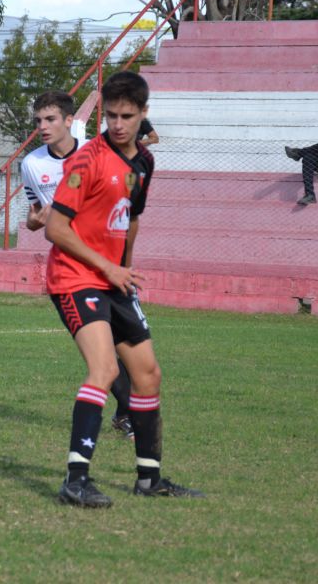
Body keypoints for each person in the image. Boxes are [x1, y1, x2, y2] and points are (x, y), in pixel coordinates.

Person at [45, 71, 203, 508]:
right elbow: (55, 229)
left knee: (148, 374)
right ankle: (75, 480)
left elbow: (131, 219)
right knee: (106, 371)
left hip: (115, 280)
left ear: (143, 114)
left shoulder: (145, 164)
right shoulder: (86, 160)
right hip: (75, 277)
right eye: (110, 115)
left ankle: (149, 480)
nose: (117, 124)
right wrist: (108, 269)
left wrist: (125, 273)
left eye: (126, 116)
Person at [20, 90, 134, 440]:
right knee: (104, 350)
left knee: (125, 344)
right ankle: (128, 415)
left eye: (50, 119)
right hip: (72, 268)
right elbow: (34, 217)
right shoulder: (32, 165)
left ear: (70, 121)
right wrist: (38, 222)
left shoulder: (94, 154)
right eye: (38, 120)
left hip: (106, 259)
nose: (43, 126)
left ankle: (127, 412)